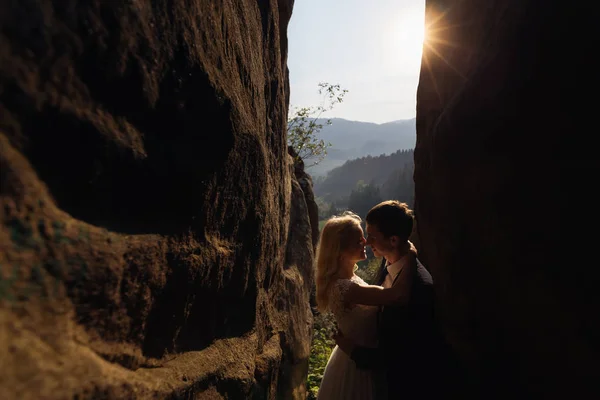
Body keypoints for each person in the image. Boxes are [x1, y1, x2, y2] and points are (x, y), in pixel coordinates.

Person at [334, 200, 441, 399]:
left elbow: (403, 356)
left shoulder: (419, 287)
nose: (366, 242)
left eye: (372, 236)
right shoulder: (388, 265)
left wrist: (353, 350)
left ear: (393, 240)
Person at [315, 211, 417, 400]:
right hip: (357, 368)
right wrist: (410, 256)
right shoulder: (344, 287)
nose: (366, 243)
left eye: (364, 237)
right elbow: (396, 296)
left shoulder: (350, 279)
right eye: (358, 241)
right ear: (341, 251)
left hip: (362, 359)